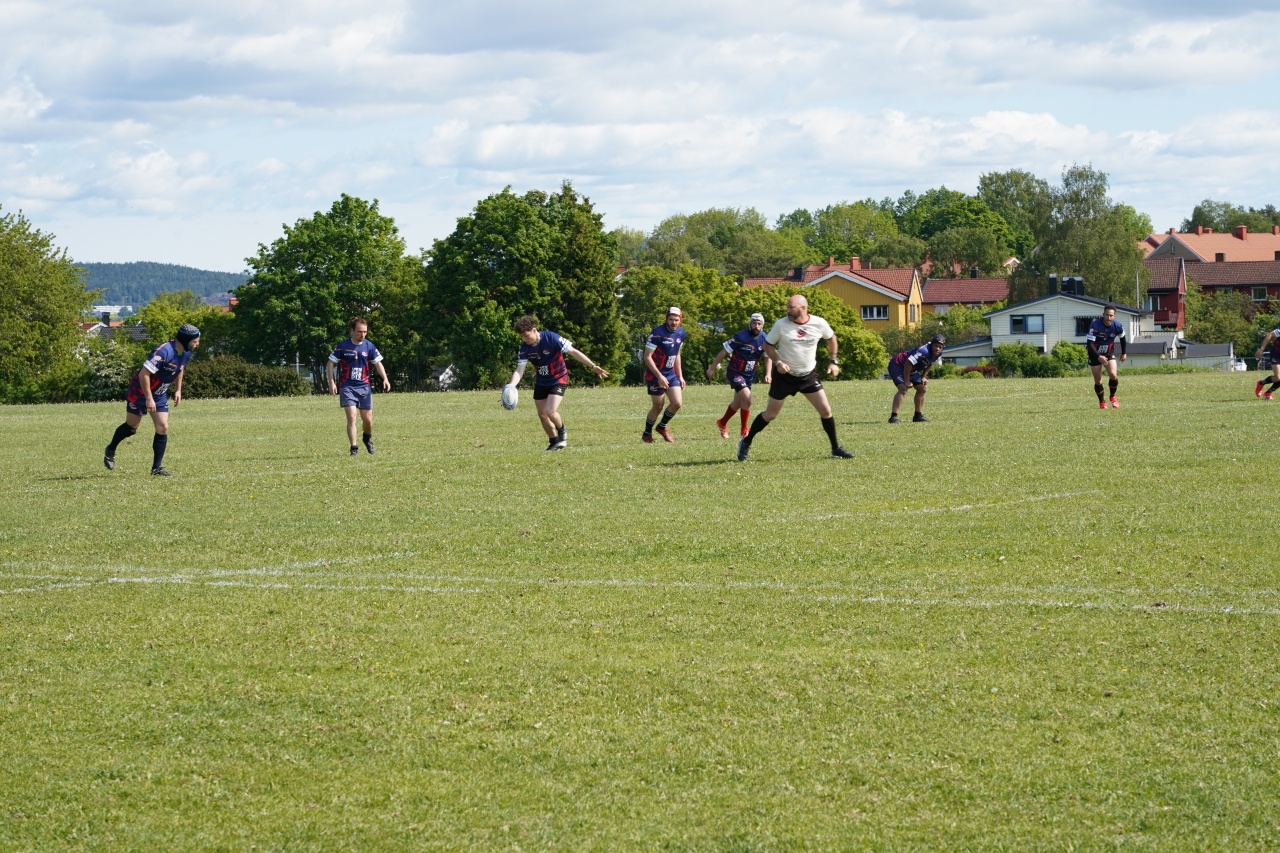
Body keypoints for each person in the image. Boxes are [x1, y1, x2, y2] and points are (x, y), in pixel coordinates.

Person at [737, 294, 853, 461]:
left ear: (803, 308)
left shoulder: (818, 323)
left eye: (791, 307)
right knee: (770, 414)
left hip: (808, 376)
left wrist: (833, 361)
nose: (788, 311)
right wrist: (778, 362)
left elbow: (831, 338)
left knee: (826, 411)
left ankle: (835, 448)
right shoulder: (781, 324)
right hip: (784, 376)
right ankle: (746, 442)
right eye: (787, 307)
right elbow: (767, 345)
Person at [103, 323, 200, 476]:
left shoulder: (186, 353)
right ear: (185, 340)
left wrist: (178, 390)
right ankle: (110, 449)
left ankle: (156, 468)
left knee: (163, 427)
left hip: (159, 394)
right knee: (131, 427)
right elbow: (144, 374)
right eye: (195, 341)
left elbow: (180, 369)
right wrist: (148, 398)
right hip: (140, 391)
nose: (197, 344)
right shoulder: (163, 352)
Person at [506, 315, 609, 450]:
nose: (524, 339)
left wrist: (593, 366)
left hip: (558, 378)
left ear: (534, 330)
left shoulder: (552, 338)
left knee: (550, 410)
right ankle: (554, 442)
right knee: (542, 414)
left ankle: (562, 432)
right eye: (522, 337)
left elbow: (573, 351)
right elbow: (520, 370)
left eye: (526, 335)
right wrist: (511, 386)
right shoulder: (525, 348)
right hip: (541, 381)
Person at [327, 317, 390, 455]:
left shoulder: (369, 346)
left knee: (368, 420)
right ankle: (354, 448)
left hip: (364, 387)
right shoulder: (343, 346)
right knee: (352, 417)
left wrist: (385, 379)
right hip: (347, 387)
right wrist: (331, 382)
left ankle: (367, 438)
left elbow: (378, 363)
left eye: (365, 332)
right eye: (359, 331)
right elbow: (330, 363)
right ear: (352, 330)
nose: (362, 334)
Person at [706, 312, 772, 438]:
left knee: (738, 403)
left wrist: (768, 373)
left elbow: (768, 356)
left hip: (748, 375)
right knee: (748, 399)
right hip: (735, 372)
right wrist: (712, 368)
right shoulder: (741, 337)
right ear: (750, 324)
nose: (756, 326)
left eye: (759, 324)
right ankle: (744, 431)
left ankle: (722, 422)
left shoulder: (765, 339)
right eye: (754, 323)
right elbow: (724, 352)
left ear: (762, 325)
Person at [641, 307, 687, 443]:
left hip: (671, 373)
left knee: (677, 403)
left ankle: (662, 427)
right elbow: (647, 356)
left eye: (676, 320)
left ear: (680, 320)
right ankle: (647, 433)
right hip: (655, 375)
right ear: (666, 319)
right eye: (671, 319)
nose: (673, 322)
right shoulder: (657, 334)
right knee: (658, 406)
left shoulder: (681, 333)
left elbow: (677, 354)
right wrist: (659, 376)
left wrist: (680, 376)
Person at [888, 334, 945, 423]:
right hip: (898, 365)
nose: (938, 348)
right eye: (936, 346)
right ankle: (893, 418)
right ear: (931, 345)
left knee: (922, 388)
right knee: (903, 389)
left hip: (911, 369)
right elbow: (908, 363)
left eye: (940, 347)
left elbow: (929, 363)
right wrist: (907, 381)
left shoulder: (938, 353)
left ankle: (918, 416)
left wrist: (923, 377)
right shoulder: (923, 351)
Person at [1086, 305, 1127, 409]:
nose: (1109, 318)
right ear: (1103, 314)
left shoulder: (1117, 326)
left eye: (1111, 315)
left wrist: (1124, 353)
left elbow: (1123, 339)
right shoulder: (1095, 325)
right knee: (1098, 380)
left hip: (1108, 353)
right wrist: (1098, 356)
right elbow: (1089, 344)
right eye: (1107, 315)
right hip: (1094, 354)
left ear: (1114, 316)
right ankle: (1102, 402)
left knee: (1113, 374)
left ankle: (1112, 397)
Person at [1255, 327, 1280, 400]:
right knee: (1278, 377)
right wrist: (1261, 349)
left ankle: (1268, 393)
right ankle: (1261, 383)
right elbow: (1270, 334)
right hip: (1276, 354)